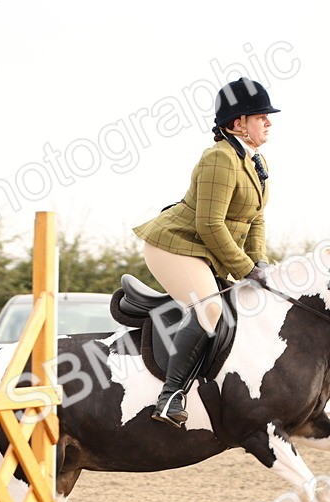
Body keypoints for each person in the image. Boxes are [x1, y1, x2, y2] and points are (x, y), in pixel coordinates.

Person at [132, 77, 279, 427]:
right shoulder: (219, 159)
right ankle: (170, 397)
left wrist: (259, 262)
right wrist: (244, 270)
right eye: (260, 116)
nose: (269, 122)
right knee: (210, 308)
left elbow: (256, 219)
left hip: (204, 251)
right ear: (238, 123)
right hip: (174, 245)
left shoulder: (258, 163)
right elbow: (210, 224)